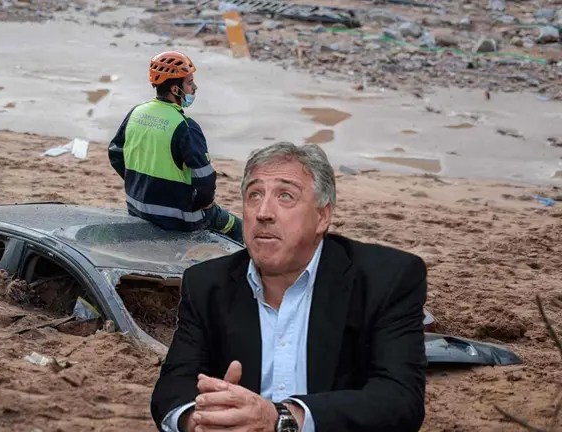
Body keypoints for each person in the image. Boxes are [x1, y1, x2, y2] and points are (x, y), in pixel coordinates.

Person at [150, 142, 427, 432]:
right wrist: (201, 420)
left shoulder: (386, 278)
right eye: (254, 195)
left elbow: (399, 400)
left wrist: (282, 419)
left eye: (285, 196)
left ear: (322, 216)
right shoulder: (206, 283)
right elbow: (173, 386)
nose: (263, 212)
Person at [108, 50, 243, 243]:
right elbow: (205, 180)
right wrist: (202, 203)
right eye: (189, 83)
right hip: (180, 219)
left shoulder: (136, 113)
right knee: (237, 228)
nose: (194, 87)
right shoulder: (185, 127)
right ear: (175, 90)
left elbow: (115, 153)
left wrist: (138, 183)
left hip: (137, 207)